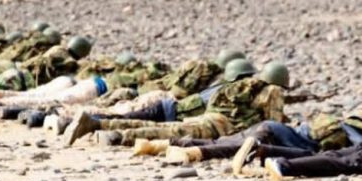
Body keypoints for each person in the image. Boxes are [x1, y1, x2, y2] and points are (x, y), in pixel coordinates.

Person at [65, 59, 290, 148]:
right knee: (164, 131)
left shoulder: (242, 85)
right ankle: (113, 133)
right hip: (218, 126)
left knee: (161, 127)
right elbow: (273, 124)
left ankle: (98, 124)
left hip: (209, 118)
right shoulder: (273, 91)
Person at [162, 108, 362, 167]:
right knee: (235, 148)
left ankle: (166, 144)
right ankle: (193, 153)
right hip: (277, 137)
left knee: (225, 142)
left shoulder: (333, 120)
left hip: (272, 127)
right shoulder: (353, 129)